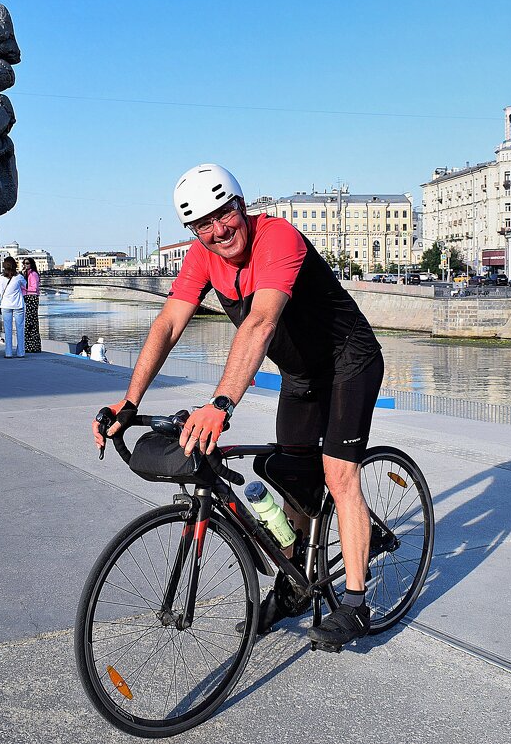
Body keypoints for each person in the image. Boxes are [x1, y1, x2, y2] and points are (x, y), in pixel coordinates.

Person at [93, 163, 385, 649]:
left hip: (348, 362)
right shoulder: (203, 256)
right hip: (302, 375)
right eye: (202, 224)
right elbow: (167, 324)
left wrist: (221, 404)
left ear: (240, 206)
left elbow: (261, 323)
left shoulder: (278, 239)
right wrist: (130, 400)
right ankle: (297, 579)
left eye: (223, 214)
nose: (217, 230)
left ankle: (354, 603)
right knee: (289, 474)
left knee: (338, 474)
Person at [0, 256, 26, 359]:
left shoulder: (0, 278)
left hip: (5, 304)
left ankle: (8, 352)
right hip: (18, 305)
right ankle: (20, 352)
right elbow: (25, 286)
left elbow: (1, 291)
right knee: (20, 329)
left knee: (8, 329)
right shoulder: (18, 277)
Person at [21, 257, 42, 353]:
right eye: (24, 263)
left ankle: (31, 346)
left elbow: (34, 288)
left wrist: (23, 289)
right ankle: (32, 346)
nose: (25, 265)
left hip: (32, 298)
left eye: (27, 263)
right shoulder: (27, 274)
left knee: (30, 322)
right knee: (31, 322)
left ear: (31, 264)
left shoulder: (33, 274)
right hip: (28, 297)